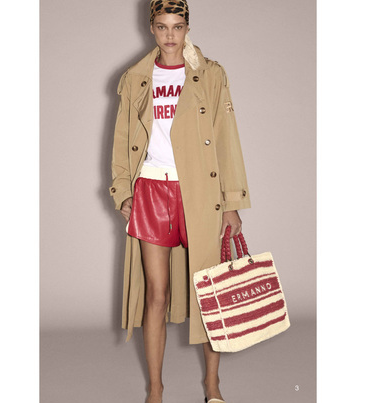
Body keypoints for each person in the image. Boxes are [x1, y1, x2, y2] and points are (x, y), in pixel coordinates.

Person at [109, 1, 250, 402]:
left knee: (209, 291)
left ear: (187, 28)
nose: (170, 35)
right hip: (152, 190)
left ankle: (212, 385)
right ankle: (155, 389)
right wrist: (123, 190)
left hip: (199, 193)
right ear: (151, 28)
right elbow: (123, 138)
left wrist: (231, 201)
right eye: (162, 26)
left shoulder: (210, 74)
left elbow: (226, 137)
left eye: (177, 26)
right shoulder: (136, 78)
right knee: (157, 294)